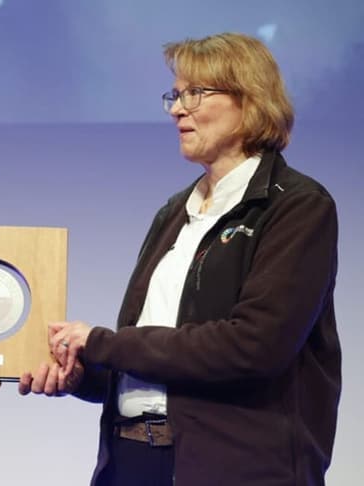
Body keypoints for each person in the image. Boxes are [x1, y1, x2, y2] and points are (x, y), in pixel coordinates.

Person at [19, 32, 341, 486]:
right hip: (132, 459)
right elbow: (152, 361)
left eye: (195, 93)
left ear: (249, 100)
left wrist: (103, 343)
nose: (176, 109)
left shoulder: (297, 207)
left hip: (235, 467)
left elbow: (254, 346)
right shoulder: (176, 210)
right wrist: (85, 376)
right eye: (175, 94)